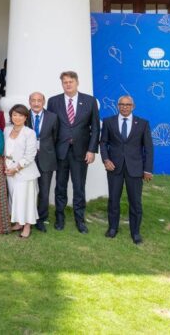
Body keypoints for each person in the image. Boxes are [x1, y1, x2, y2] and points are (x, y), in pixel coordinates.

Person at [46, 70, 100, 233]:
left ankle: (80, 220)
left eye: (71, 81)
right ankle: (59, 218)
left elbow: (95, 128)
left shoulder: (90, 101)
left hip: (81, 152)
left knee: (79, 187)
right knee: (60, 186)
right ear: (62, 84)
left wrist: (92, 150)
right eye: (65, 82)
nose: (68, 84)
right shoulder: (53, 101)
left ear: (77, 82)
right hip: (60, 152)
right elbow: (50, 127)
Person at [100, 95, 154, 245]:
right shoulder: (108, 121)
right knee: (113, 200)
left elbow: (148, 148)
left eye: (128, 104)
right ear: (118, 106)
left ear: (133, 106)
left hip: (135, 169)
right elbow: (103, 143)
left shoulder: (143, 123)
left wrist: (148, 170)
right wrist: (106, 160)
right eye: (122, 104)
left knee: (135, 202)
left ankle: (135, 232)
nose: (124, 107)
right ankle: (112, 228)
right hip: (114, 167)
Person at [25, 92, 59, 233]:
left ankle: (41, 219)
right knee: (27, 190)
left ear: (43, 102)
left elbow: (55, 137)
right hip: (27, 159)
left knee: (44, 191)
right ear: (29, 102)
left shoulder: (53, 117)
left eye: (39, 100)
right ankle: (27, 217)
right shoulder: (23, 116)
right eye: (33, 100)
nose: (36, 103)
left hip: (46, 158)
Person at [4, 104, 39, 239]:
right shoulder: (7, 130)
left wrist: (16, 168)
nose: (17, 118)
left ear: (25, 117)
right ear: (11, 116)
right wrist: (7, 166)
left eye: (20, 115)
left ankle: (27, 226)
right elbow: (5, 150)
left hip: (25, 173)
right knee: (14, 198)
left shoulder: (29, 133)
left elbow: (30, 155)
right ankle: (19, 223)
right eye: (14, 115)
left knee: (26, 200)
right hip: (9, 171)